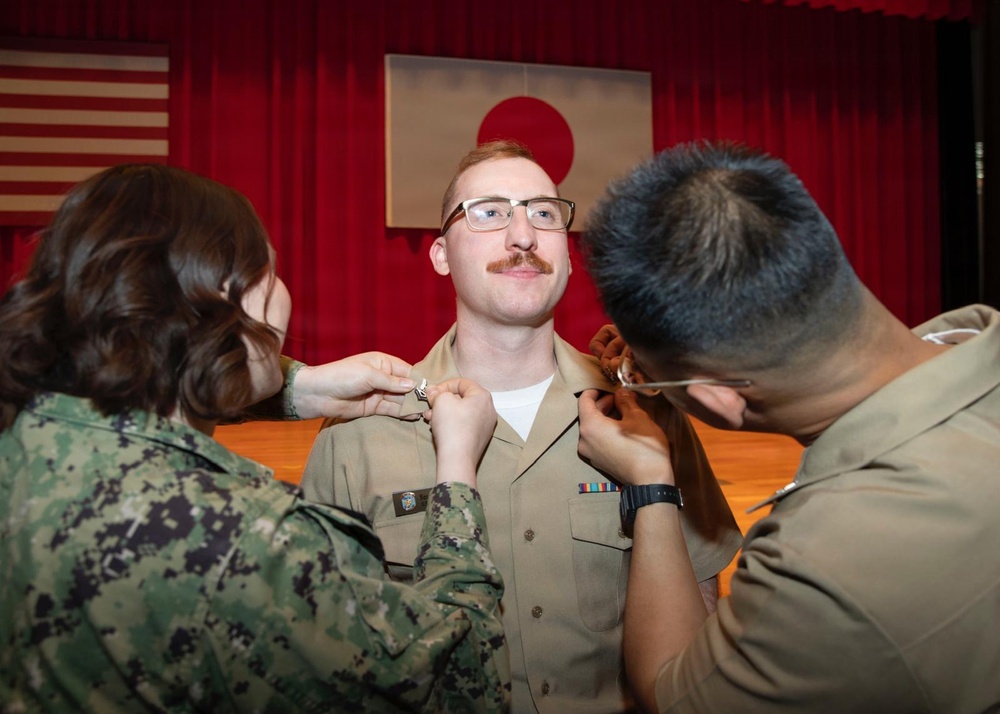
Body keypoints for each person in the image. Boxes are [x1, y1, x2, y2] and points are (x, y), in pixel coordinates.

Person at [0, 163, 510, 713]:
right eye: (269, 270)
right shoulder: (247, 544)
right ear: (226, 295)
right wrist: (456, 469)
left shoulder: (28, 436)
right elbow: (463, 679)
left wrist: (298, 388)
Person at [300, 140, 743, 713]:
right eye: (488, 213)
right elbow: (323, 654)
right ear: (439, 254)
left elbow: (697, 628)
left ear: (566, 248)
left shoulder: (644, 416)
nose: (523, 236)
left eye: (543, 213)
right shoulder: (356, 432)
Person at [577, 141, 1000, 713]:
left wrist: (651, 481)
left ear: (720, 401)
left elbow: (669, 691)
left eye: (651, 378)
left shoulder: (820, 570)